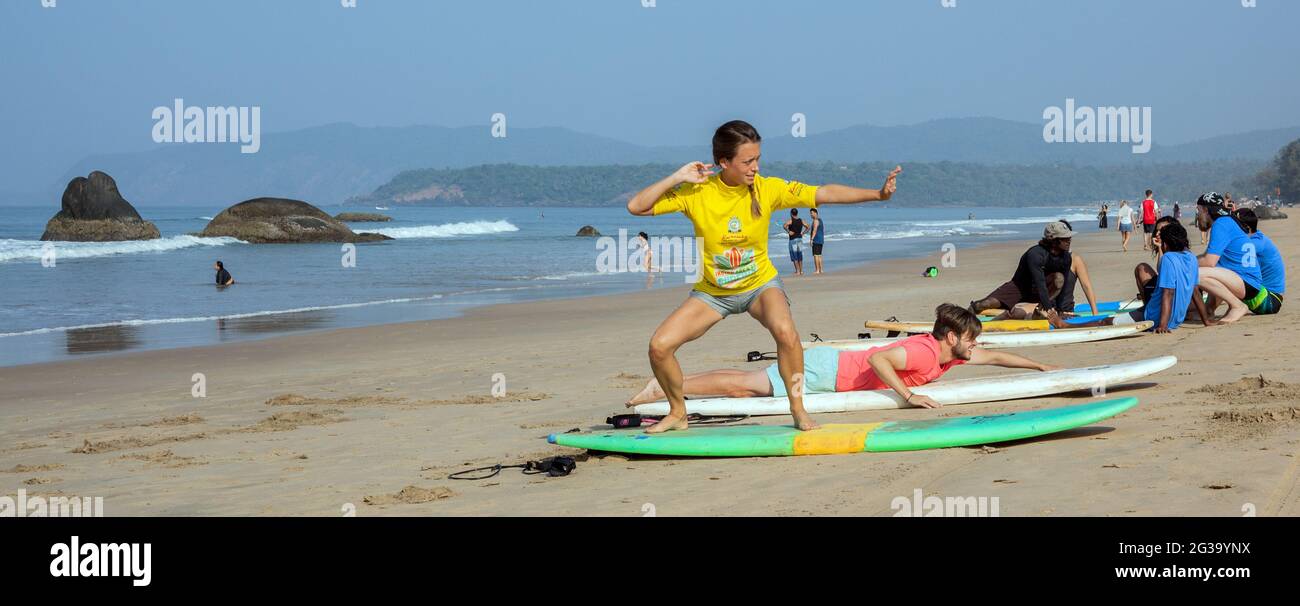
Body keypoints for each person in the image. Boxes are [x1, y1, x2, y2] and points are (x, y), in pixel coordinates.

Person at [626, 119, 902, 432]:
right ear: (723, 162)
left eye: (757, 159)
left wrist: (877, 195)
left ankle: (798, 409)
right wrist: (679, 176)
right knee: (659, 347)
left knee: (786, 333)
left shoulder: (768, 188)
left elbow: (823, 192)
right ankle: (678, 413)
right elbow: (637, 206)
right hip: (713, 293)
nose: (755, 167)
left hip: (760, 286)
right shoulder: (697, 192)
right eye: (747, 161)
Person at [626, 304, 1060, 407]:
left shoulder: (951, 356)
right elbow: (878, 361)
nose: (975, 346)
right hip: (827, 372)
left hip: (831, 371)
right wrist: (907, 398)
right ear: (950, 335)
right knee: (748, 385)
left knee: (748, 386)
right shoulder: (921, 351)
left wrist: (1039, 366)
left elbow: (996, 358)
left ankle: (670, 388)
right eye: (970, 339)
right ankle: (660, 389)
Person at [969, 221, 1101, 325]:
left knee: (1059, 279)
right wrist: (1050, 311)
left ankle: (1038, 312)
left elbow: (1063, 286)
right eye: (1065, 238)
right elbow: (1040, 283)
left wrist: (1059, 312)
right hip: (1020, 287)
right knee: (984, 304)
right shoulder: (1035, 254)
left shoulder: (1066, 257)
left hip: (1042, 291)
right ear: (1054, 240)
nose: (1069, 240)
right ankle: (967, 319)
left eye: (1069, 237)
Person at [1194, 192, 1268, 323]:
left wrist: (1185, 263)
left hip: (1246, 283)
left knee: (1194, 273)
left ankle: (1237, 306)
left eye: (1198, 211)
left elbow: (1209, 261)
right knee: (1214, 269)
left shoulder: (1221, 224)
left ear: (1206, 210)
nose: (1197, 215)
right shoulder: (1228, 221)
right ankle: (1209, 310)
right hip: (1247, 282)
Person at [1132, 223, 1217, 333]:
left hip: (1154, 317)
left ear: (1165, 244)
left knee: (1107, 322)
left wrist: (1163, 325)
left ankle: (1103, 322)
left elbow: (1168, 292)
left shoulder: (1167, 258)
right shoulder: (1191, 258)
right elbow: (1195, 292)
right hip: (1176, 321)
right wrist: (1206, 321)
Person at [1235, 208, 1285, 314]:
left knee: (1228, 273)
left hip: (1269, 300)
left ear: (1247, 228)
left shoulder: (1253, 244)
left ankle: (1212, 308)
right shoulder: (1258, 239)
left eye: (1234, 226)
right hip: (1270, 297)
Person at [783, 209, 806, 276]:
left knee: (794, 256)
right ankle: (801, 271)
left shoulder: (791, 220)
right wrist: (803, 233)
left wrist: (788, 231)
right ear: (797, 213)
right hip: (799, 240)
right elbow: (808, 226)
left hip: (793, 240)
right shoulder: (801, 220)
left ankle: (797, 271)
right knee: (799, 255)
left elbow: (784, 226)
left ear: (791, 213)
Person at [809, 207, 826, 274]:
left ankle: (817, 270)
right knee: (819, 255)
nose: (810, 215)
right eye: (810, 213)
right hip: (821, 239)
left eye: (811, 213)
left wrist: (811, 239)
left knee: (816, 255)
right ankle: (821, 269)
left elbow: (815, 230)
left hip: (816, 239)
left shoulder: (816, 221)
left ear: (815, 213)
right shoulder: (820, 220)